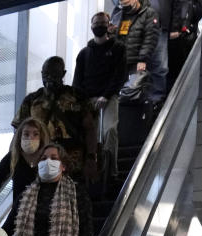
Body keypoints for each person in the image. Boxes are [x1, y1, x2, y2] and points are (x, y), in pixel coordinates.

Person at [12, 56, 99, 182]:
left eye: (54, 74)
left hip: (73, 160)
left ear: (63, 74)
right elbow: (19, 132)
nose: (49, 78)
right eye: (46, 74)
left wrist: (91, 158)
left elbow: (90, 129)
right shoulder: (32, 100)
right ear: (42, 74)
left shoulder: (78, 97)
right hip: (40, 160)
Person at [73, 12, 128, 180]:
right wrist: (82, 101)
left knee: (110, 130)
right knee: (91, 135)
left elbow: (120, 75)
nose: (99, 26)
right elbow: (77, 80)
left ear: (108, 24)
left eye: (103, 23)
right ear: (91, 27)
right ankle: (92, 169)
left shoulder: (118, 48)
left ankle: (111, 170)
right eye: (96, 23)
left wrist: (106, 95)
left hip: (109, 97)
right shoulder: (84, 54)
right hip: (88, 100)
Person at [0, 118, 52, 222]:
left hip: (45, 214)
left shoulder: (49, 158)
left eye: (35, 134)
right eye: (26, 134)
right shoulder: (13, 157)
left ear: (41, 137)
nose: (30, 138)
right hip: (19, 213)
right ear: (20, 136)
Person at [112, 0, 161, 100]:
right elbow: (118, 38)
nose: (125, 7)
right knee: (121, 94)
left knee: (136, 93)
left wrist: (142, 59)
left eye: (127, 4)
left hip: (137, 62)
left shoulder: (149, 13)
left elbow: (150, 38)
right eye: (122, 5)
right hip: (122, 62)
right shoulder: (121, 15)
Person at [167, 0, 202, 90]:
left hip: (187, 39)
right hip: (174, 39)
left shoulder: (194, 4)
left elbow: (197, 20)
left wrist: (188, 29)